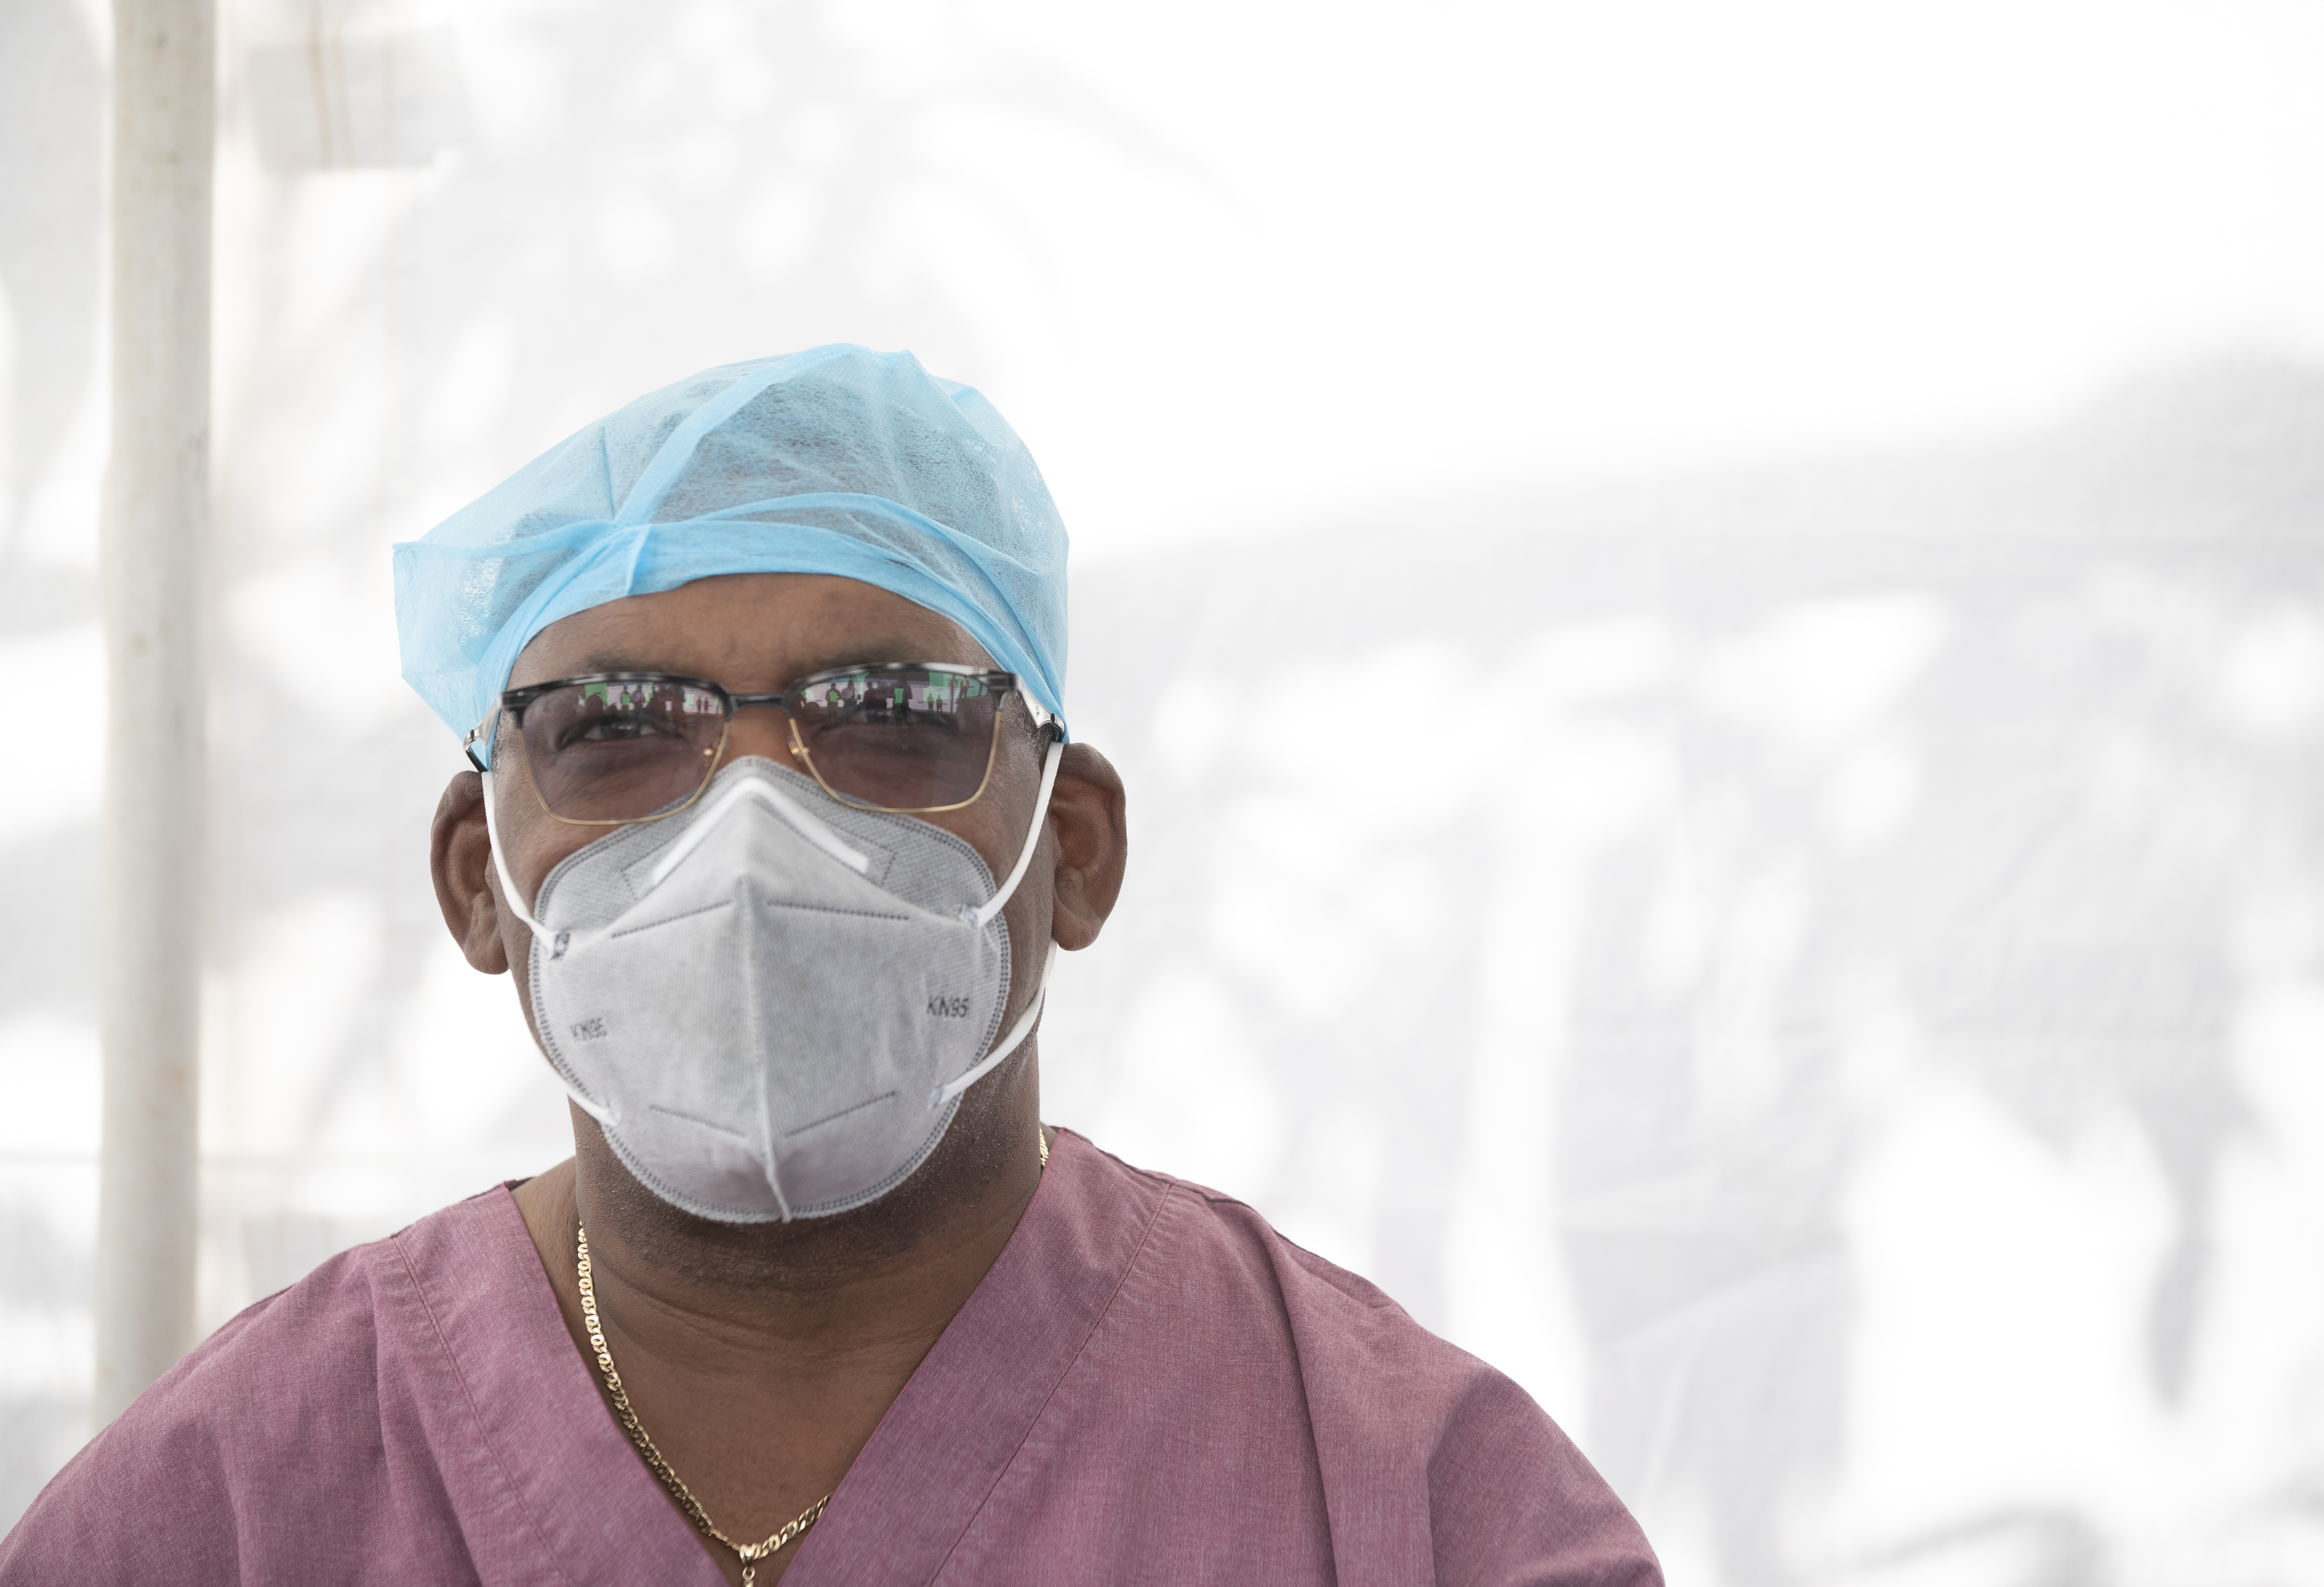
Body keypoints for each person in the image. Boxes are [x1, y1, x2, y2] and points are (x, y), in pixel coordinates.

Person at [0, 347, 1661, 1585]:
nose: (752, 827)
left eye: (890, 717)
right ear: (477, 882)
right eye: (615, 730)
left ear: (1074, 848)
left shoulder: (1406, 1505)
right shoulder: (227, 1509)